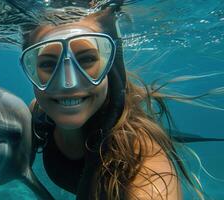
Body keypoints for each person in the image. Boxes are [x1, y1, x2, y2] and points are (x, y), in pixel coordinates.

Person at [20, 2, 204, 200]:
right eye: (48, 64)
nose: (68, 84)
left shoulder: (144, 163)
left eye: (87, 60)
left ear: (108, 64)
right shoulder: (39, 112)